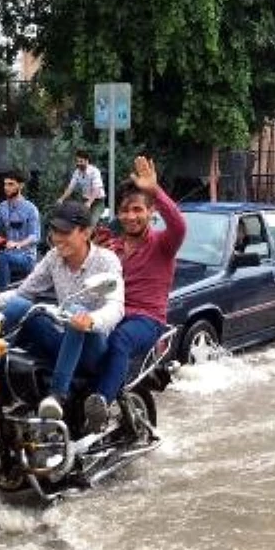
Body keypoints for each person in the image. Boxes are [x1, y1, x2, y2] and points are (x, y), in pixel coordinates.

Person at [0, 200, 124, 419]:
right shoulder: (53, 257)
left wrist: (91, 320)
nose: (57, 238)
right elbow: (24, 292)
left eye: (65, 232)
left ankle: (58, 394)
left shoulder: (107, 261)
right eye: (54, 231)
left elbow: (116, 308)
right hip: (63, 338)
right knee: (22, 307)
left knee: (75, 309)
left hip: (93, 347)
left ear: (86, 232)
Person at [84, 155, 187, 434]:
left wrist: (155, 190)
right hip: (110, 313)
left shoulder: (163, 244)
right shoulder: (110, 247)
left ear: (150, 211)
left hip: (145, 320)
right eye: (125, 211)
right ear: (117, 213)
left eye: (138, 209)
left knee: (120, 340)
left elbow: (179, 225)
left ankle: (100, 404)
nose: (131, 216)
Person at [0, 170, 41, 291]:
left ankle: (1, 295)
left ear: (20, 186)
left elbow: (35, 236)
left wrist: (18, 244)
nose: (6, 187)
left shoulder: (31, 209)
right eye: (5, 184)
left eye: (11, 184)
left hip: (26, 257)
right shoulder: (2, 207)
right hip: (8, 254)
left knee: (1, 257)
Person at [58, 149, 106, 224]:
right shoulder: (77, 172)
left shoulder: (94, 171)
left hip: (97, 201)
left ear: (87, 161)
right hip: (85, 199)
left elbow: (97, 189)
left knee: (91, 222)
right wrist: (61, 199)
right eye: (77, 161)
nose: (78, 163)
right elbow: (70, 188)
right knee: (80, 221)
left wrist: (89, 202)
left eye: (81, 161)